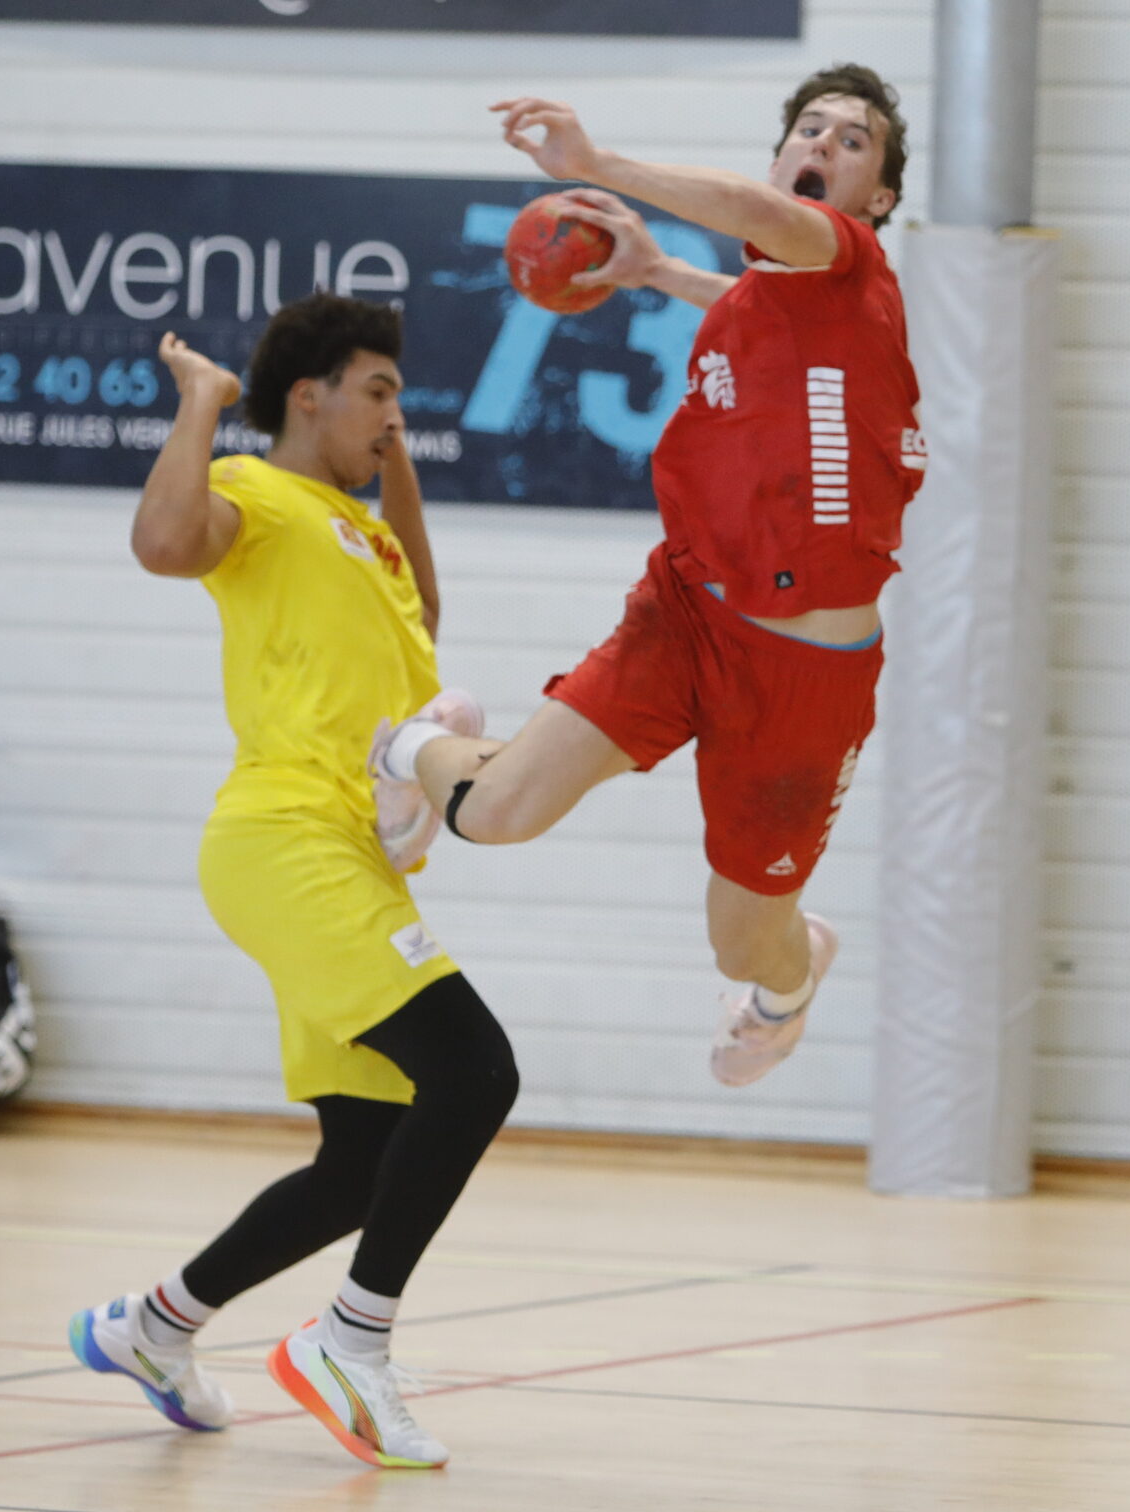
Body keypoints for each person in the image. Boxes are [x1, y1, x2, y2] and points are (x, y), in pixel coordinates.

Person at [369, 64, 924, 1089]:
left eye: (853, 142)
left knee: (742, 944)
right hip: (684, 612)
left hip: (804, 678)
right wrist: (657, 269)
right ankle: (409, 745)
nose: (823, 145)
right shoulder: (773, 300)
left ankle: (790, 986)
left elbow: (759, 218)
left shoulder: (847, 261)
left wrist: (597, 164)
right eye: (808, 128)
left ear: (878, 198)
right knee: (492, 814)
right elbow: (747, 294)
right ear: (780, 154)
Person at [67, 295, 515, 1470]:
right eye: (377, 391)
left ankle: (152, 1326)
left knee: (362, 1160)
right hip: (285, 839)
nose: (394, 411)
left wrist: (395, 462)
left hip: (342, 855)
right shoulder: (257, 495)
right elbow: (163, 544)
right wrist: (204, 405)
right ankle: (349, 1341)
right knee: (473, 1069)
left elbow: (422, 610)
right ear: (306, 397)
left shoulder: (357, 529)